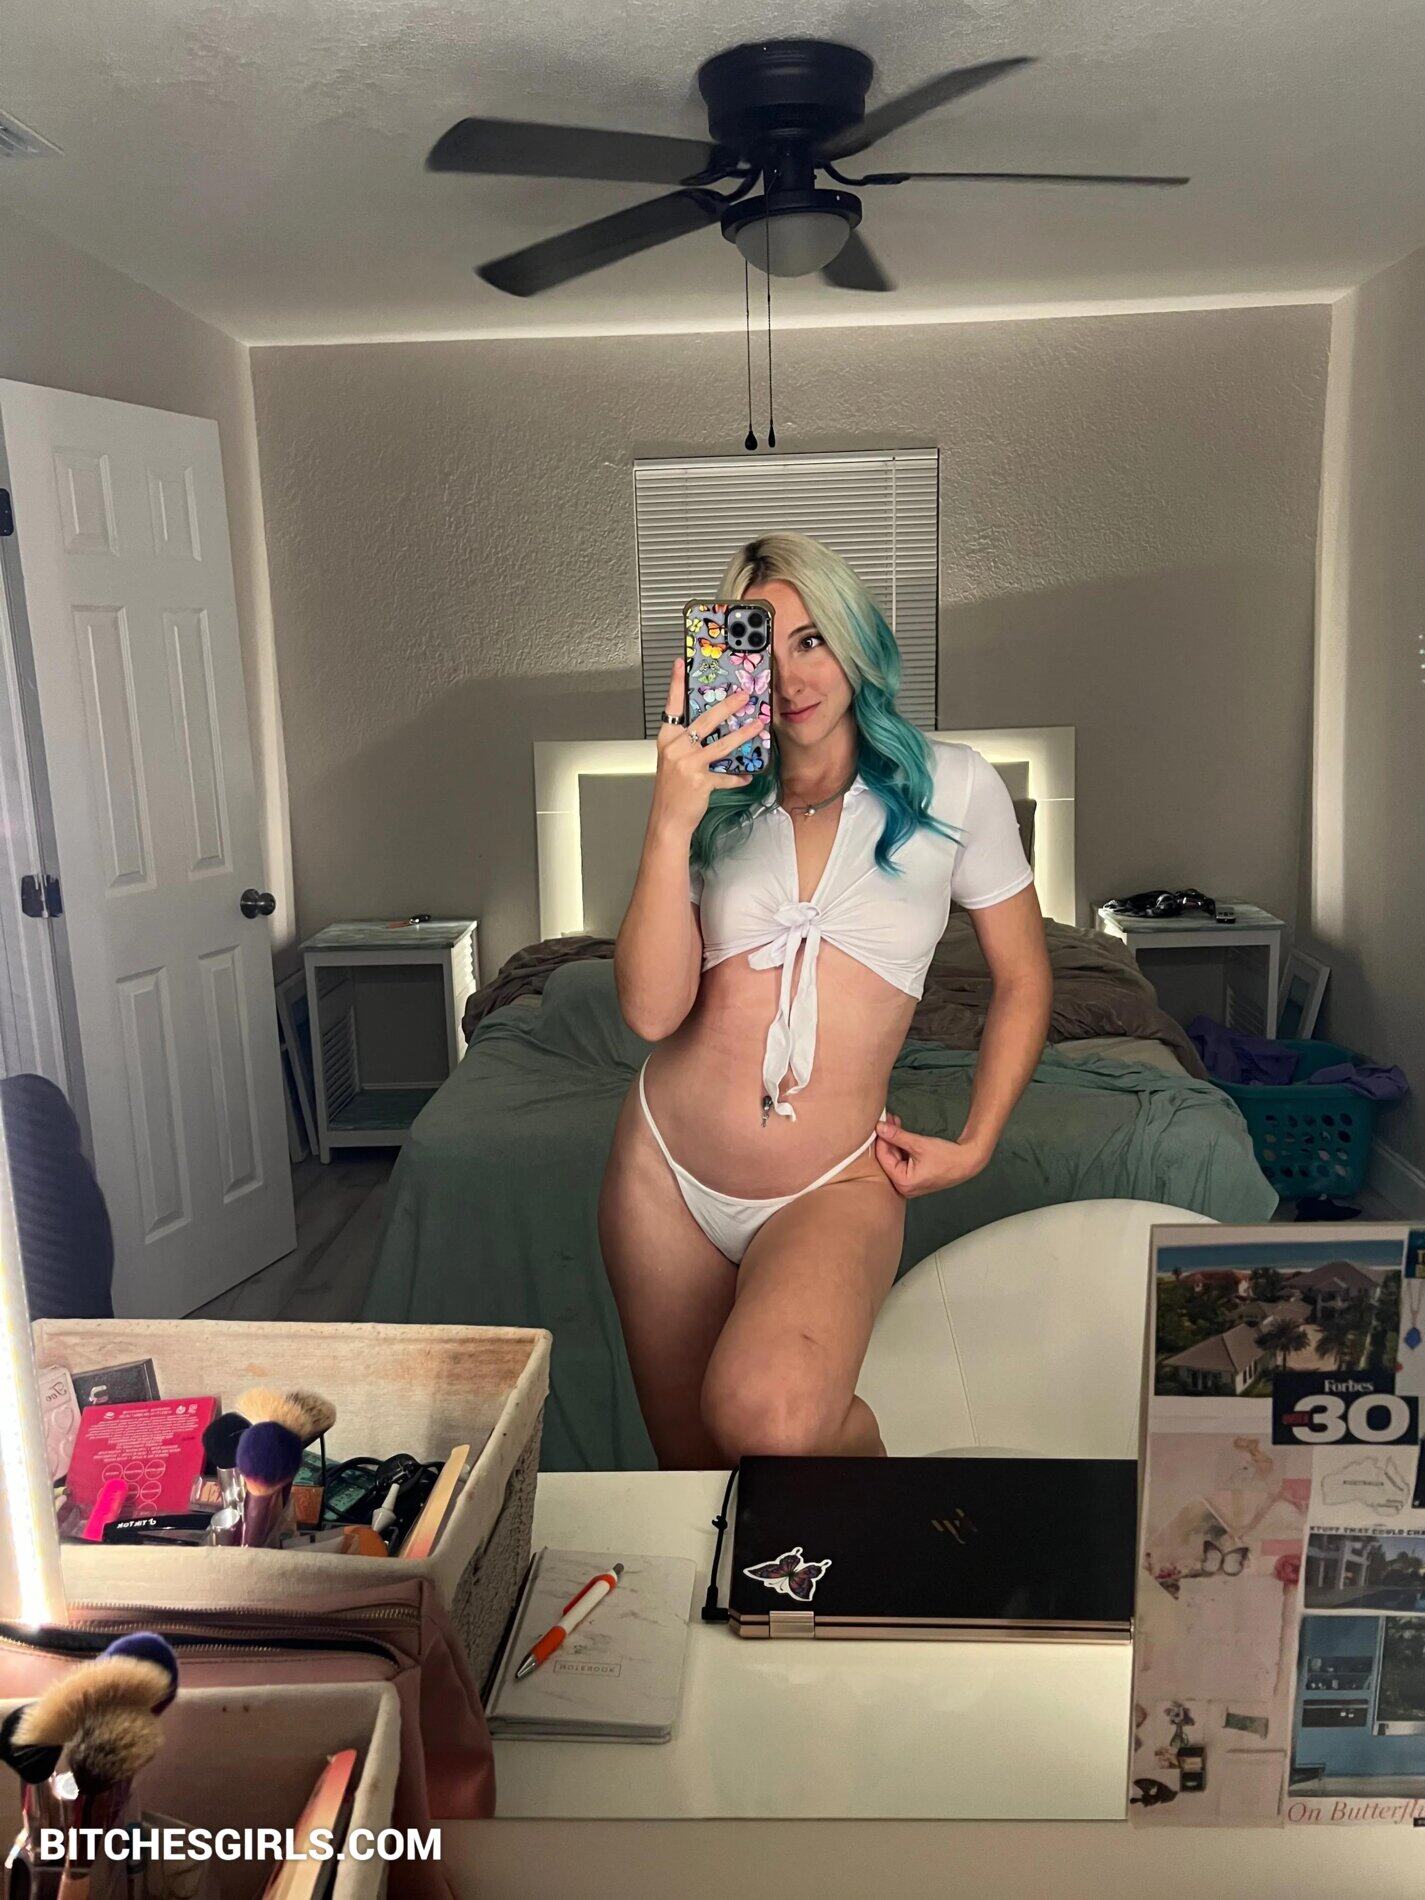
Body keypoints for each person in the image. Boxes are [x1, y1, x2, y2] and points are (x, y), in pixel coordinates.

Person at [598, 532, 1051, 1468]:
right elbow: (649, 1013)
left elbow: (1022, 977)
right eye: (762, 649)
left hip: (832, 1180)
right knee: (695, 1482)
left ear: (854, 640)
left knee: (772, 1422)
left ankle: (884, 1513)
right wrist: (671, 818)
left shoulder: (955, 785)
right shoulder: (712, 798)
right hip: (662, 1176)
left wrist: (976, 1141)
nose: (792, 676)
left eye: (812, 640)